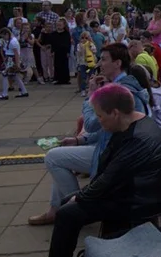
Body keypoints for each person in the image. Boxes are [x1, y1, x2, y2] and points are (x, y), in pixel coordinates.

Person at [21, 83, 161, 257]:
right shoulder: (133, 124)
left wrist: (80, 197)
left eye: (100, 116)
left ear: (115, 113)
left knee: (66, 213)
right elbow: (106, 171)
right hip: (129, 194)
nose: (98, 122)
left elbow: (107, 180)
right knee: (66, 205)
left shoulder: (138, 139)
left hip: (137, 205)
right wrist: (79, 196)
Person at [28, 43, 150, 225]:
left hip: (114, 155)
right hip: (111, 149)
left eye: (104, 59)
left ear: (117, 63)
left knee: (53, 157)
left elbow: (93, 124)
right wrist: (79, 140)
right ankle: (55, 209)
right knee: (60, 158)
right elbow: (103, 129)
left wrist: (91, 96)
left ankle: (79, 209)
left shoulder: (119, 91)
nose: (100, 63)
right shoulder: (119, 86)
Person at [0, 27, 29, 100]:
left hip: (11, 59)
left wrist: (17, 64)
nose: (3, 38)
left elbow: (16, 54)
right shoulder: (11, 40)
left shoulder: (12, 42)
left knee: (5, 74)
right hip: (10, 58)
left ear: (7, 34)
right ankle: (24, 91)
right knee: (14, 76)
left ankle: (5, 94)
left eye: (4, 36)